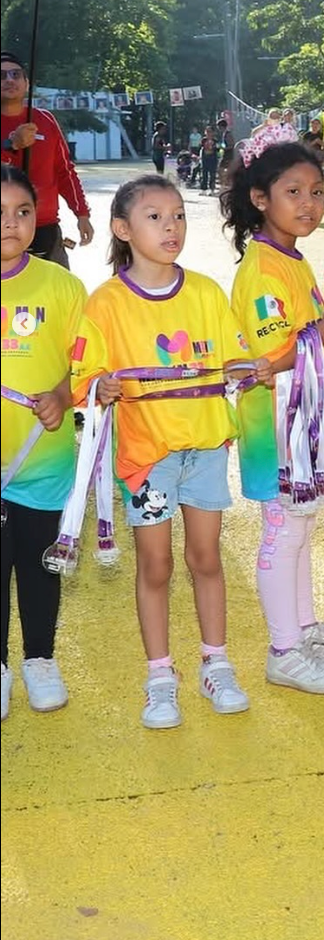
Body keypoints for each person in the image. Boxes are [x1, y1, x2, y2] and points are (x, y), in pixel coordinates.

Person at [71, 174, 264, 729]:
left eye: (178, 215)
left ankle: (216, 663)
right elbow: (85, 374)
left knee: (206, 558)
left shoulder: (205, 292)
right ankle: (160, 675)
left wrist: (244, 372)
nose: (171, 226)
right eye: (154, 217)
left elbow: (232, 358)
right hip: (145, 459)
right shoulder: (105, 303)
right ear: (122, 229)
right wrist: (101, 385)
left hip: (204, 449)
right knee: (154, 564)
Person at [222, 121, 324, 693]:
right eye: (293, 192)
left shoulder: (290, 259)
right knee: (283, 533)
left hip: (303, 426)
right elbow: (281, 351)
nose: (308, 204)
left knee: (300, 530)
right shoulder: (261, 270)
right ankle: (283, 649)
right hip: (278, 429)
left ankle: (305, 629)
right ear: (260, 199)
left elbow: (311, 332)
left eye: (314, 191)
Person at [0, 165, 84, 721]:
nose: (11, 223)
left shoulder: (62, 286)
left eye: (23, 212)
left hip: (46, 463)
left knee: (39, 566)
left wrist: (62, 395)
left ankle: (40, 659)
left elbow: (89, 366)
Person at [0, 53, 93, 267]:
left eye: (16, 74)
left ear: (27, 83)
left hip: (46, 227)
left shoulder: (45, 120)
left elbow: (64, 171)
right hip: (4, 228)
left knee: (58, 293)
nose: (9, 80)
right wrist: (10, 145)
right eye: (2, 75)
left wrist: (82, 213)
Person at [199, 129, 219, 193]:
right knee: (204, 174)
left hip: (213, 158)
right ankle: (203, 189)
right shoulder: (203, 140)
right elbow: (200, 147)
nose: (209, 134)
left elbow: (218, 149)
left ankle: (212, 189)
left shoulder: (215, 140)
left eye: (210, 132)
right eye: (207, 132)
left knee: (212, 174)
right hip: (205, 158)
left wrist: (214, 147)